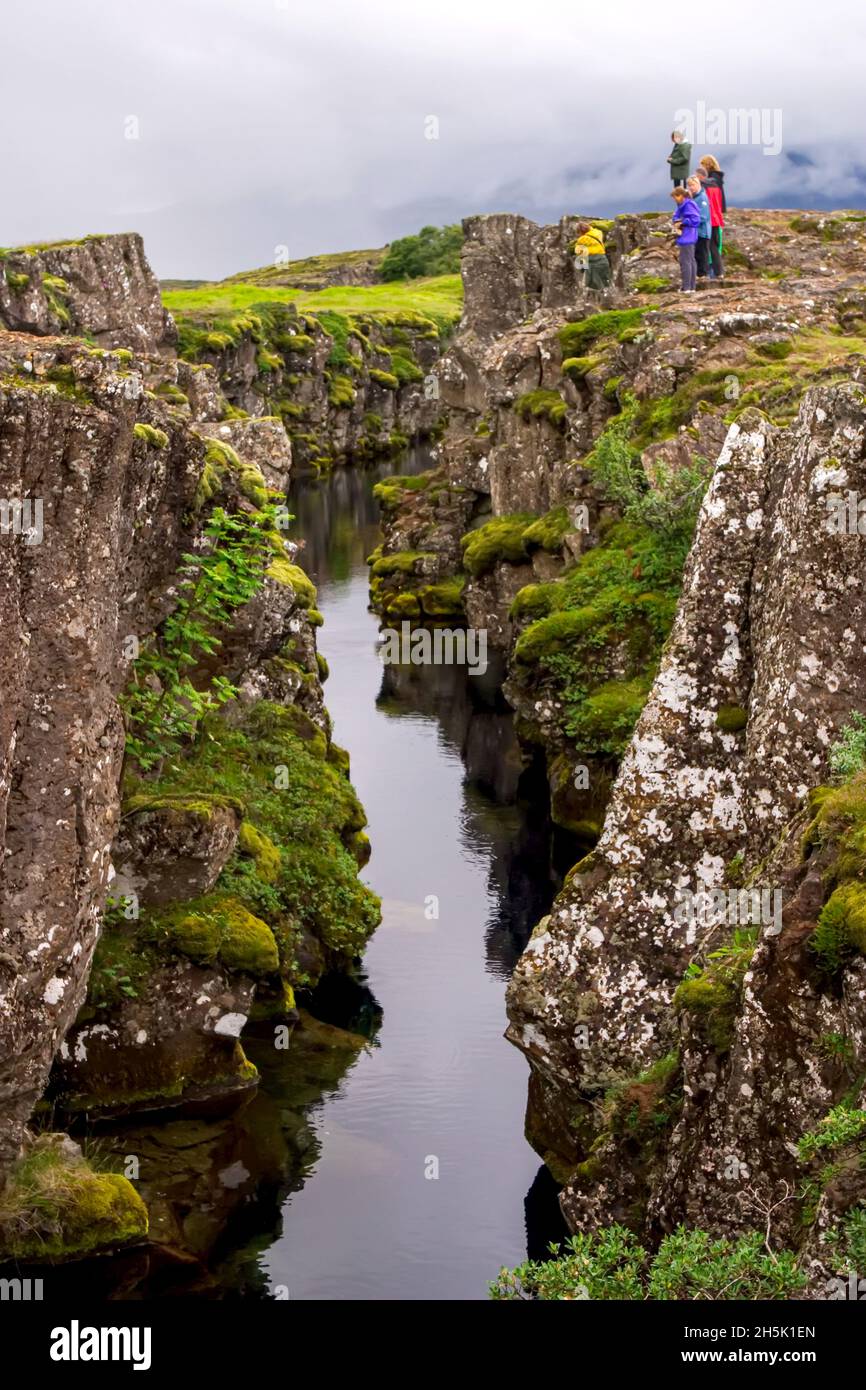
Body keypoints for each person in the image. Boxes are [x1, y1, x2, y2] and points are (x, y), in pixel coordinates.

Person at [699, 155, 726, 279]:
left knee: (711, 247)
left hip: (712, 217)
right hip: (716, 216)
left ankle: (714, 272)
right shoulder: (716, 178)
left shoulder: (712, 181)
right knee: (714, 246)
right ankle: (717, 272)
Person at [670, 186, 700, 292]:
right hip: (688, 236)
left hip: (687, 236)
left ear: (681, 195)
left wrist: (682, 222)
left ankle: (687, 287)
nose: (674, 199)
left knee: (685, 261)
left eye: (675, 197)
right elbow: (676, 216)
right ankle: (691, 287)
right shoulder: (683, 205)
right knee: (690, 261)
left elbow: (695, 220)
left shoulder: (688, 205)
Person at [687, 174, 711, 280]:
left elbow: (704, 216)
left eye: (692, 185)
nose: (691, 187)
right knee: (696, 254)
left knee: (702, 254)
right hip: (695, 231)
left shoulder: (702, 198)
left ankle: (703, 274)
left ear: (698, 184)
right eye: (689, 185)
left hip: (702, 231)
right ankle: (698, 274)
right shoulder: (694, 197)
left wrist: (690, 222)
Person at [574, 222, 611, 290]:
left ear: (580, 232)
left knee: (593, 287)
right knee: (606, 284)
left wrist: (581, 269)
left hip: (592, 265)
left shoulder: (581, 240)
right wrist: (591, 224)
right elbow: (599, 226)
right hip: (603, 260)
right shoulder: (598, 233)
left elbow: (580, 257)